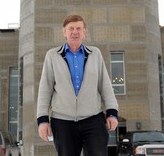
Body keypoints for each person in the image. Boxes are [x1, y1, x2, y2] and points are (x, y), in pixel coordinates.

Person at [37, 14, 118, 156]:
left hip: (93, 119)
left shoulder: (95, 54)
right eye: (71, 28)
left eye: (79, 28)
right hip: (62, 121)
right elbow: (45, 89)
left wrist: (112, 112)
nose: (75, 32)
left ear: (85, 32)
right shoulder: (52, 56)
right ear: (64, 32)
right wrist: (43, 120)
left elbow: (105, 85)